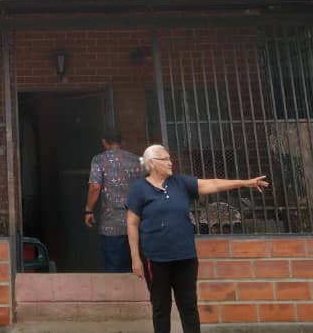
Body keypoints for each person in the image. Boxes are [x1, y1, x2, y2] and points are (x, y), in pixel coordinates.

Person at [125, 144, 269, 333]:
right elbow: (132, 223)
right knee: (161, 307)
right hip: (156, 258)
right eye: (165, 159)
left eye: (170, 158)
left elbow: (213, 183)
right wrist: (136, 258)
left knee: (189, 306)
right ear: (152, 163)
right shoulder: (139, 189)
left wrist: (244, 183)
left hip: (185, 256)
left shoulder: (181, 183)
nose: (170, 162)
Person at [84, 129, 144, 272]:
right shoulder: (136, 160)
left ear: (104, 143)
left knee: (114, 270)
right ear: (122, 142)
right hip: (136, 224)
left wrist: (88, 210)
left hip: (111, 226)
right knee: (135, 268)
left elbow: (95, 187)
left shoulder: (99, 160)